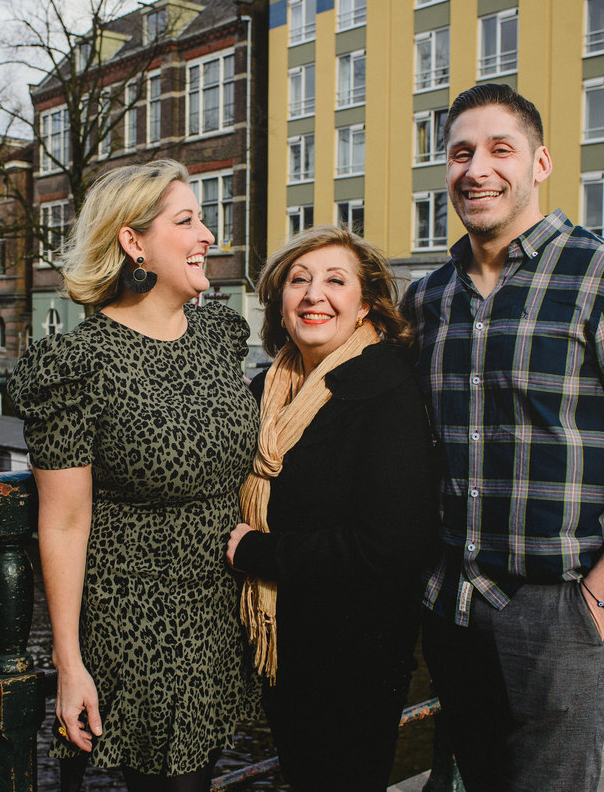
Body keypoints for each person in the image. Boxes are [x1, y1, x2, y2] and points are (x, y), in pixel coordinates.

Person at [401, 83, 604, 792]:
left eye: (498, 149)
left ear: (540, 164)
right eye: (459, 153)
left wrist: (601, 596)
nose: (476, 168)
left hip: (559, 610)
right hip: (452, 602)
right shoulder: (428, 299)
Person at [8, 160, 259, 792]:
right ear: (133, 241)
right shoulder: (76, 365)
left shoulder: (219, 334)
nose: (208, 235)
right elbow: (63, 522)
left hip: (222, 608)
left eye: (203, 218)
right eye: (187, 220)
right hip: (141, 622)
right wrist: (69, 664)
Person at [226, 225, 438, 792]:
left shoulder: (386, 384)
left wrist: (258, 551)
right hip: (283, 645)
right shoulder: (267, 388)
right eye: (299, 280)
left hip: (355, 652)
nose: (314, 294)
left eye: (335, 281)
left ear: (365, 303)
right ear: (280, 302)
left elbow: (390, 542)